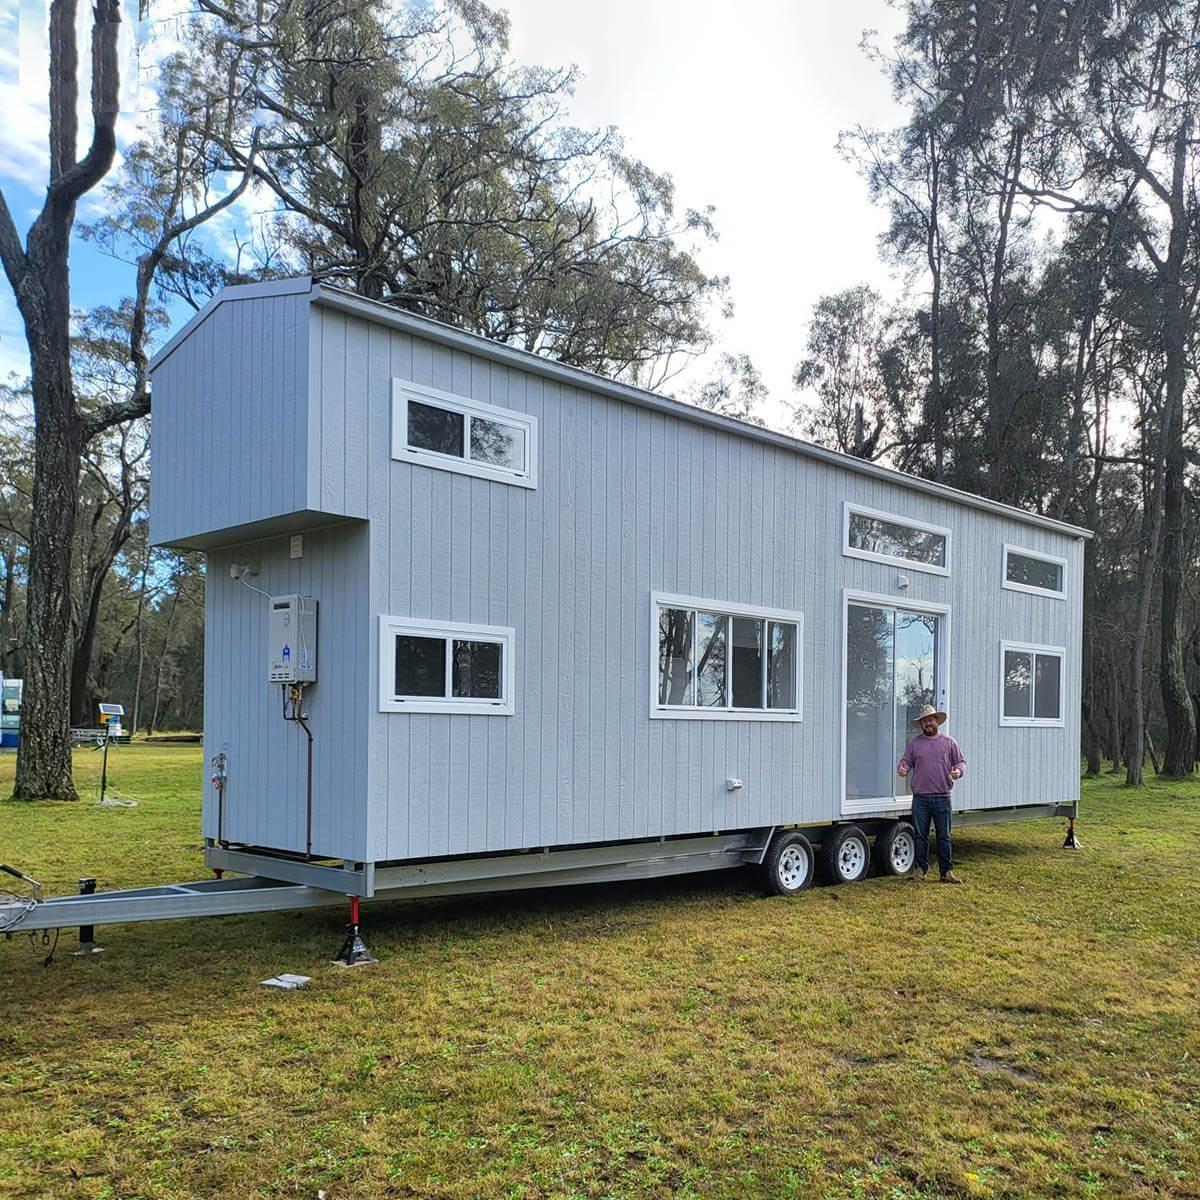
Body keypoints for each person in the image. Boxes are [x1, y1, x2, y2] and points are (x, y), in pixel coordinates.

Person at [897, 704, 966, 884]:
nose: (927, 723)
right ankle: (920, 870)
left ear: (937, 721)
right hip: (920, 798)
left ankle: (946, 872)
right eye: (924, 721)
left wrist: (958, 771)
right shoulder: (914, 744)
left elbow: (961, 762)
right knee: (920, 836)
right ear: (921, 724)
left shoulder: (949, 743)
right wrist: (902, 768)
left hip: (943, 797)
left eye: (930, 720)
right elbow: (905, 762)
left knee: (944, 836)